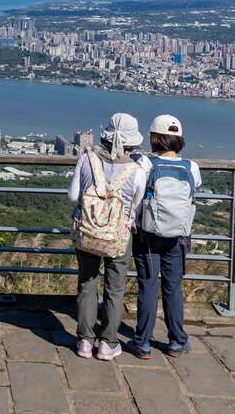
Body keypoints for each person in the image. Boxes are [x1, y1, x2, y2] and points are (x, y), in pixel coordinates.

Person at [68, 112, 148, 361]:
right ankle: (108, 343)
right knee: (115, 289)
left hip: (88, 231)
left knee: (87, 283)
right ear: (132, 141)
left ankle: (84, 341)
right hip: (119, 236)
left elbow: (73, 196)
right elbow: (136, 207)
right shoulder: (138, 170)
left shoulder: (87, 159)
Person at [130, 114, 202, 360]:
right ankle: (177, 341)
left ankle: (143, 343)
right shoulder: (191, 167)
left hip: (148, 235)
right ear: (179, 140)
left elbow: (137, 198)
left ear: (154, 137)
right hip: (178, 236)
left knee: (148, 287)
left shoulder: (145, 164)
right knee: (173, 288)